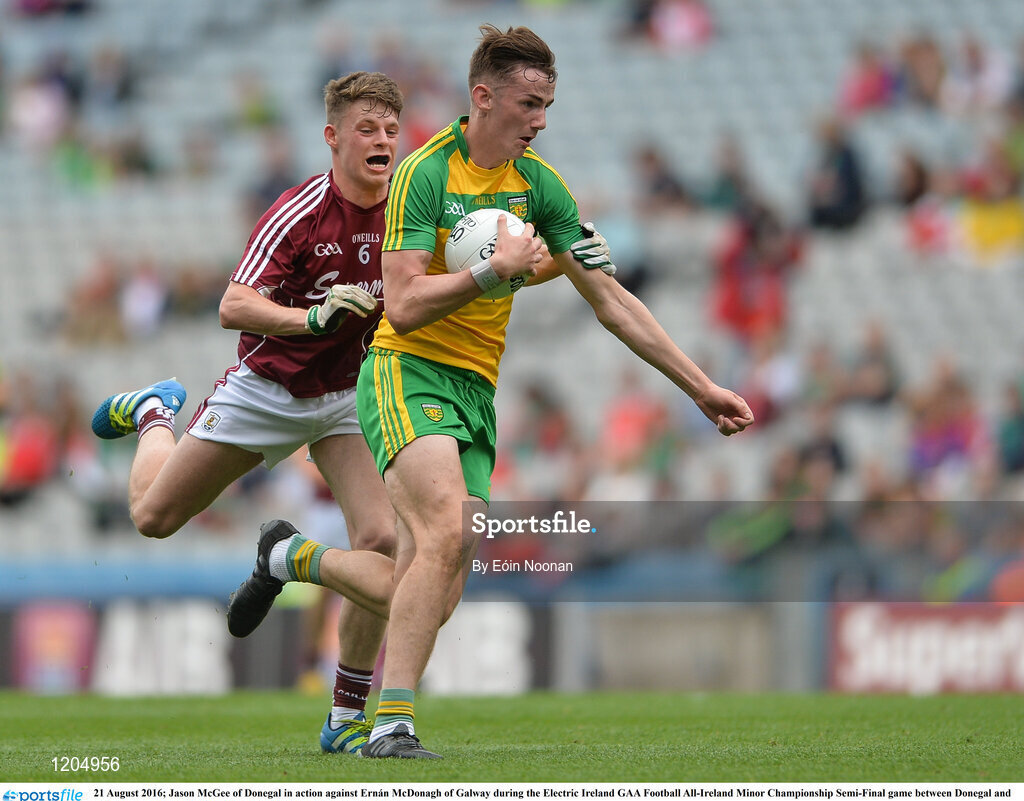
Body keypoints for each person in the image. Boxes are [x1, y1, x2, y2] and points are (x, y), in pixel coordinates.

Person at [234, 25, 754, 760]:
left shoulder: (541, 186)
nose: (541, 119)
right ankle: (393, 722)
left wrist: (700, 386)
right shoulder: (425, 172)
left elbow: (611, 300)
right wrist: (496, 268)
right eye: (529, 102)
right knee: (445, 530)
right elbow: (404, 303)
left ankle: (293, 558)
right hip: (403, 370)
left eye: (547, 104)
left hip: (477, 390)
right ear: (483, 96)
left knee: (431, 590)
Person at [89, 71, 404, 756]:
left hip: (347, 396)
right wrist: (312, 315)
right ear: (332, 138)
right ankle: (151, 412)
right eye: (367, 129)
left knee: (380, 543)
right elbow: (233, 304)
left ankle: (345, 714)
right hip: (267, 388)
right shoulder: (299, 211)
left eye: (389, 129)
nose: (382, 140)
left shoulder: (409, 208)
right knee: (153, 518)